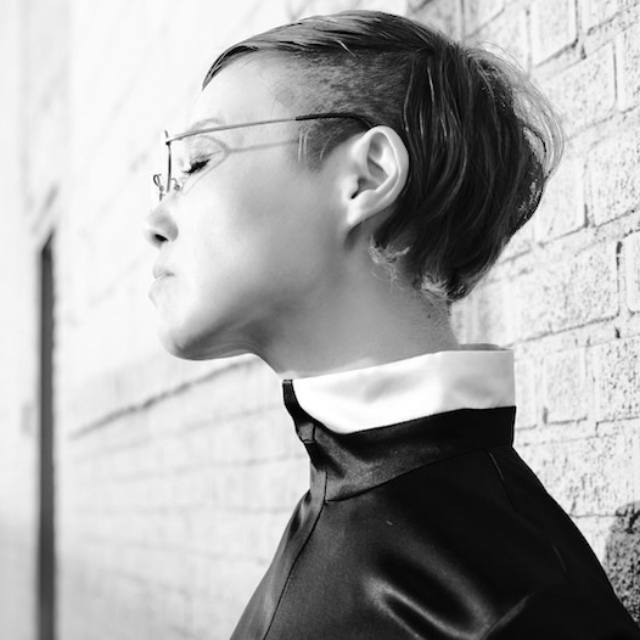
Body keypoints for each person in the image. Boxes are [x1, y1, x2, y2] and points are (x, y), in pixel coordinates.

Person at [144, 9, 640, 639]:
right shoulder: (346, 496)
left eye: (197, 162)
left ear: (368, 177)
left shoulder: (509, 606)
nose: (155, 220)